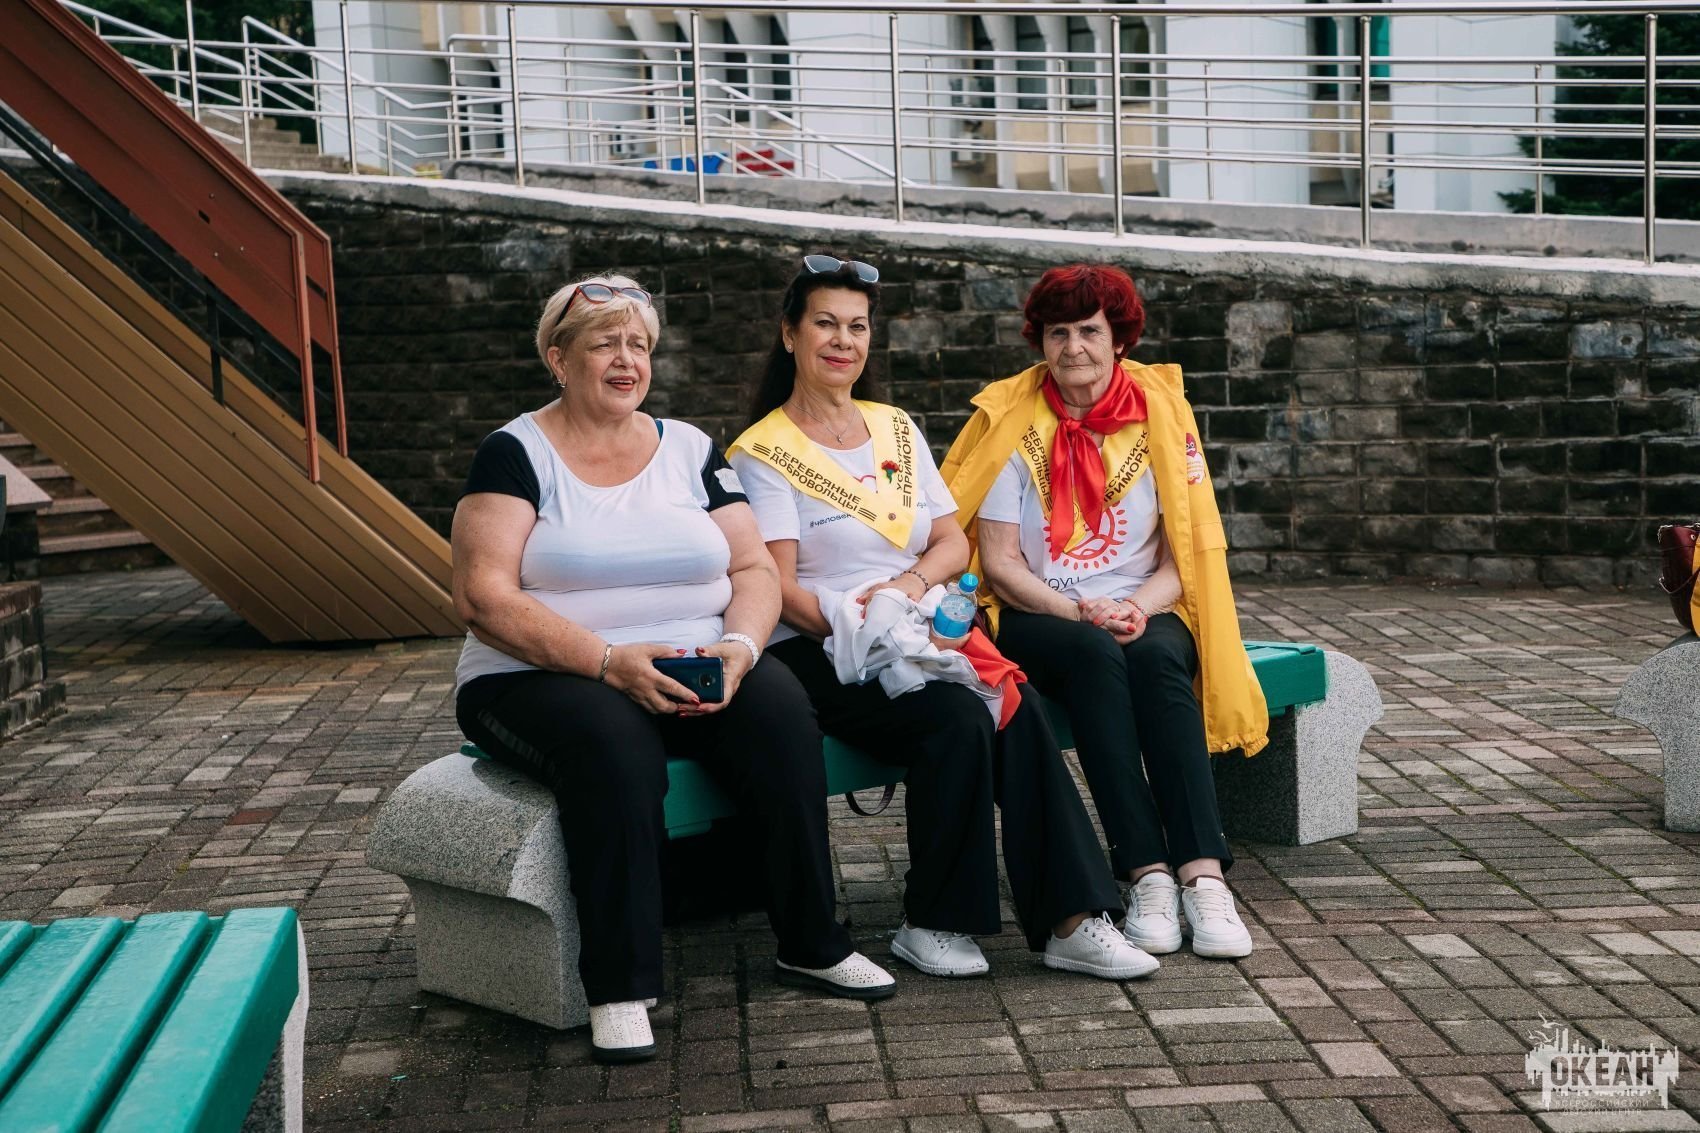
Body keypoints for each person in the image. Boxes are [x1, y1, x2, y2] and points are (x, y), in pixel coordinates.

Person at [451, 274, 894, 1064]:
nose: (626, 360)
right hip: (542, 672)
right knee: (616, 748)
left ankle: (812, 942)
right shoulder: (514, 453)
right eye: (604, 344)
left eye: (639, 345)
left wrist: (741, 649)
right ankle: (620, 985)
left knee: (781, 715)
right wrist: (607, 661)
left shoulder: (689, 448)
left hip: (695, 653)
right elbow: (483, 597)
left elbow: (753, 567)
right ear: (558, 358)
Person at [728, 254, 1155, 982]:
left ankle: (1075, 919)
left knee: (1013, 704)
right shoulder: (763, 452)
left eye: (858, 326)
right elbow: (780, 586)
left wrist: (907, 590)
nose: (843, 341)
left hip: (918, 623)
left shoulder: (893, 427)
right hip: (823, 645)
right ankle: (934, 920)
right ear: (790, 334)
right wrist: (874, 626)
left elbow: (951, 541)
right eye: (826, 324)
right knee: (958, 716)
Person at [941, 263, 1269, 961]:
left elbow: (1184, 556)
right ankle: (1146, 872)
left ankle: (1202, 875)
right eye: (1057, 333)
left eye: (1089, 331)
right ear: (1040, 341)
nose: (1073, 348)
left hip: (1145, 602)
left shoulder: (1162, 416)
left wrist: (1132, 607)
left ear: (1118, 339)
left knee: (1156, 660)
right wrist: (1079, 611)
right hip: (1041, 608)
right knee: (1094, 655)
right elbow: (999, 563)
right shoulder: (1011, 421)